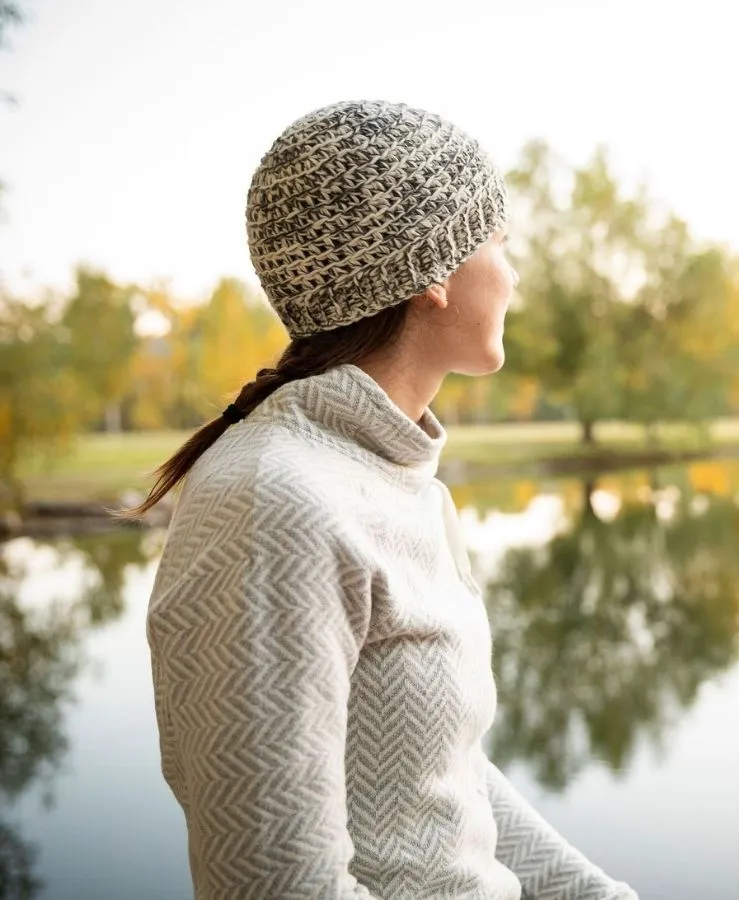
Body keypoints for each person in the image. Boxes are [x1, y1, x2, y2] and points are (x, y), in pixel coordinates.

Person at [133, 100, 638, 899]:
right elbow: (273, 883)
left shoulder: (400, 481)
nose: (512, 273)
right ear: (431, 273)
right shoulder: (275, 504)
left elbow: (448, 781)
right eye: (500, 242)